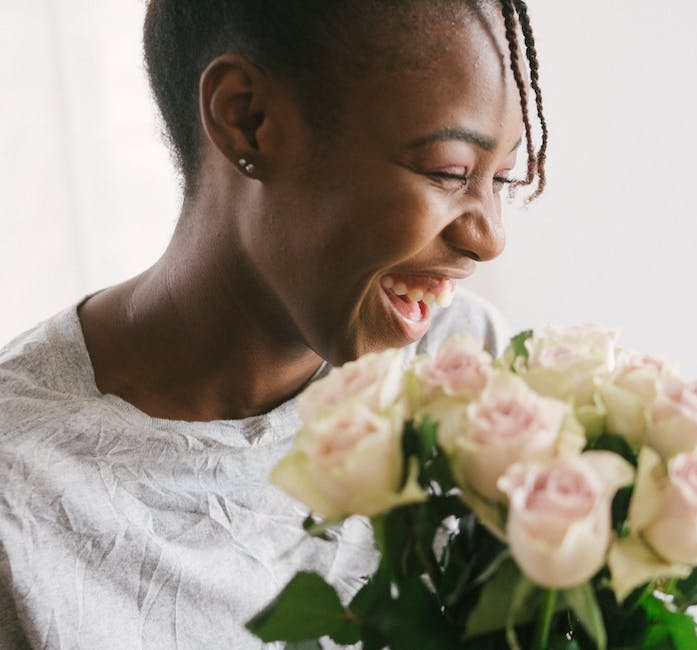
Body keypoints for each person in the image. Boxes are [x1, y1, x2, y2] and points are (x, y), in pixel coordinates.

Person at [0, 1, 548, 648]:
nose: (490, 238)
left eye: (504, 177)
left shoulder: (464, 370)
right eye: (449, 172)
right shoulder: (22, 503)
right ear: (247, 119)